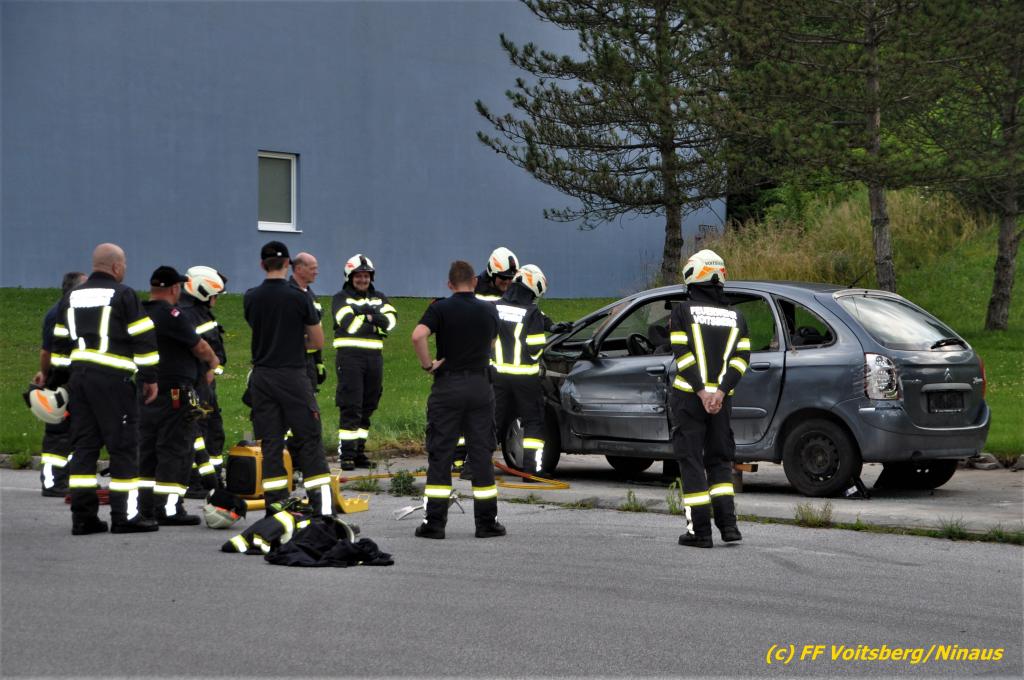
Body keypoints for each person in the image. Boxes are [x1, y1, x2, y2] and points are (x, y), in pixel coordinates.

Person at [50, 243, 160, 535]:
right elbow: (143, 337)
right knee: (124, 448)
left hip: (79, 381)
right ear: (116, 266)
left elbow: (59, 342)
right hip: (114, 382)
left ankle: (83, 518)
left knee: (84, 448)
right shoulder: (124, 295)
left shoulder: (71, 297)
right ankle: (125, 516)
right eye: (124, 265)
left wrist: (59, 382)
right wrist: (149, 378)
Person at [411, 260, 503, 539]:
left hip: (448, 386)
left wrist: (428, 365)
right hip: (480, 386)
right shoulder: (490, 310)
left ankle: (435, 523)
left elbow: (418, 336)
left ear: (450, 284)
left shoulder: (440, 308)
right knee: (481, 454)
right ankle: (486, 523)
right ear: (474, 281)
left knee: (441, 454)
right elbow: (491, 343)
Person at [243, 241, 334, 516]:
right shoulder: (299, 297)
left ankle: (276, 508)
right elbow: (317, 341)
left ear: (262, 264)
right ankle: (322, 510)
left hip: (262, 376)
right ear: (287, 265)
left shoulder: (251, 297)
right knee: (309, 439)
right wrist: (295, 342)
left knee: (271, 444)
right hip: (292, 375)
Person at [669, 249, 750, 548]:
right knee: (720, 460)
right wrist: (720, 391)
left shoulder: (682, 311)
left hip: (689, 398)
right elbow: (742, 359)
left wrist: (702, 391)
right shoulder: (737, 316)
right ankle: (729, 527)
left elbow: (682, 355)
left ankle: (699, 532)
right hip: (722, 402)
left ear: (693, 276)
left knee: (691, 461)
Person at [137, 266, 220, 525]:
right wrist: (213, 362)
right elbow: (200, 346)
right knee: (176, 450)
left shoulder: (140, 312)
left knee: (147, 449)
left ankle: (146, 506)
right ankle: (169, 508)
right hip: (176, 392)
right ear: (174, 288)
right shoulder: (172, 314)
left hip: (147, 390)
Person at [491, 264, 570, 480]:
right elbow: (535, 347)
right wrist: (538, 357)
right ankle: (531, 471)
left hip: (498, 376)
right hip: (525, 378)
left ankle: (474, 466)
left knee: (492, 421)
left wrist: (551, 325)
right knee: (533, 422)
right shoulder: (531, 312)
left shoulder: (496, 306)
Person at [453, 246, 519, 478]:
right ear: (492, 273)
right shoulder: (474, 289)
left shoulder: (512, 290)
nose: (507, 283)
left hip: (498, 363)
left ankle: (472, 459)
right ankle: (459, 458)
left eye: (511, 279)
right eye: (503, 278)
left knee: (486, 414)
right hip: (472, 360)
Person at [330, 254, 397, 471]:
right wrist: (375, 321)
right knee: (351, 405)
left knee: (369, 404)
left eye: (366, 276)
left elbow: (391, 321)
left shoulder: (379, 297)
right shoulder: (341, 298)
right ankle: (347, 455)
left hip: (374, 359)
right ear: (350, 277)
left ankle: (359, 452)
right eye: (358, 275)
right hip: (350, 358)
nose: (363, 279)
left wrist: (365, 316)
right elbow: (349, 325)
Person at [34, 271, 87, 496]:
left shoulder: (67, 311)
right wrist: (46, 375)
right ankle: (52, 482)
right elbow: (46, 352)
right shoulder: (58, 313)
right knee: (58, 432)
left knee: (75, 430)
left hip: (73, 379)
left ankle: (67, 478)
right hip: (61, 379)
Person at [178, 265, 227, 494]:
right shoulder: (191, 315)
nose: (216, 299)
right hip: (197, 385)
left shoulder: (197, 311)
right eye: (215, 294)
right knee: (200, 431)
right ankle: (195, 480)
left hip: (204, 384)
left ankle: (213, 479)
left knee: (213, 431)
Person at [289, 252, 327, 394]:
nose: (316, 272)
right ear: (299, 269)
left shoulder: (310, 295)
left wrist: (318, 361)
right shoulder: (288, 295)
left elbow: (316, 329)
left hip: (309, 360)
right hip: (292, 360)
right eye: (312, 268)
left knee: (310, 401)